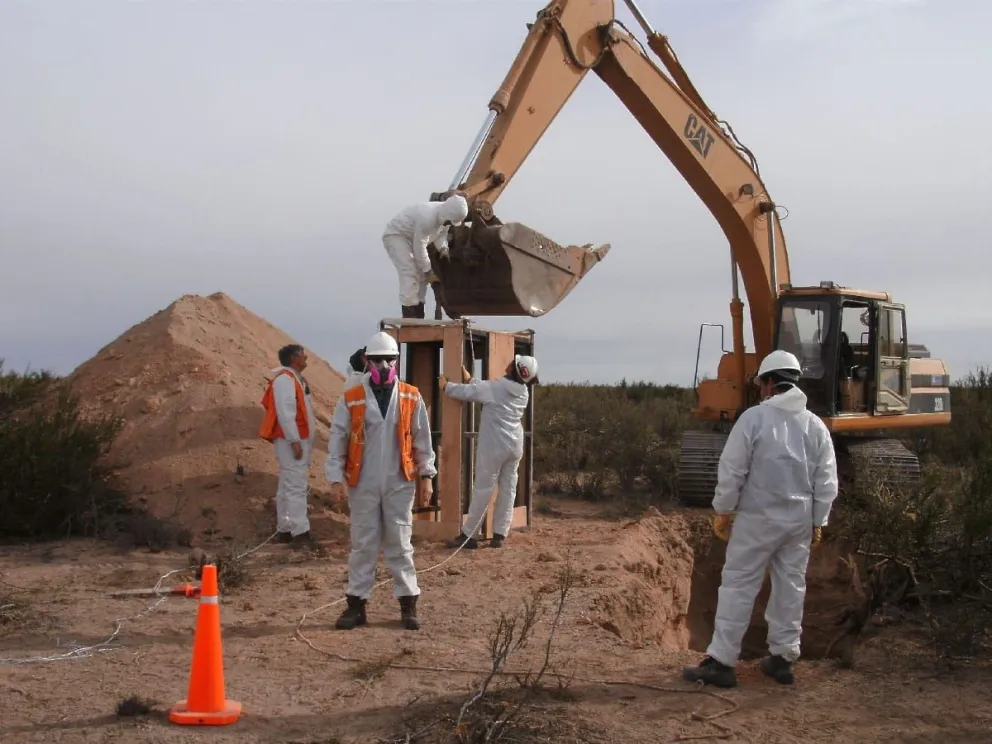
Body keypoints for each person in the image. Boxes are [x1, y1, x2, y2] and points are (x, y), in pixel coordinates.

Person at [682, 349, 839, 689]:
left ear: (769, 383)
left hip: (757, 519)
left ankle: (722, 662)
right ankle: (782, 659)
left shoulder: (753, 419)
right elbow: (826, 481)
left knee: (739, 584)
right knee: (790, 587)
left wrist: (724, 509)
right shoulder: (816, 427)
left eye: (762, 384)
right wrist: (819, 522)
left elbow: (732, 469)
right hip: (798, 522)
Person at [325, 330, 437, 631]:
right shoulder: (351, 397)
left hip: (400, 480)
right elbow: (337, 437)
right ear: (367, 361)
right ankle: (356, 605)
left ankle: (408, 603)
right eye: (377, 360)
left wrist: (427, 476)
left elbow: (422, 440)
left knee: (400, 542)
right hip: (362, 480)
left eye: (389, 359)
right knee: (363, 543)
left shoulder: (411, 396)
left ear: (397, 361)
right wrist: (335, 477)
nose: (384, 365)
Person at [439, 355, 539, 550]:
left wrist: (447, 387)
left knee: (483, 489)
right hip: (514, 446)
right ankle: (499, 535)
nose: (508, 363)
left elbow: (471, 393)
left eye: (512, 362)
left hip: (494, 445)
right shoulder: (523, 392)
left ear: (515, 369)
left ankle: (470, 535)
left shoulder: (495, 388)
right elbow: (484, 389)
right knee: (508, 489)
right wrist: (471, 380)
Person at [258, 343, 320, 550]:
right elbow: (286, 412)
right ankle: (300, 533)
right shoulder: (285, 380)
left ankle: (284, 529)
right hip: (291, 441)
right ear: (294, 358)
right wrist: (294, 440)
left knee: (287, 485)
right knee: (296, 486)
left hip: (294, 440)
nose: (306, 360)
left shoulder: (293, 379)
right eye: (303, 356)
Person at [381, 194, 469, 319]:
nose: (450, 223)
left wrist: (443, 248)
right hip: (397, 236)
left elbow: (441, 234)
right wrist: (429, 270)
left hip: (414, 239)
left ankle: (418, 315)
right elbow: (419, 248)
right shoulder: (427, 217)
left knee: (422, 276)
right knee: (409, 271)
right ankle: (410, 315)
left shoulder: (446, 217)